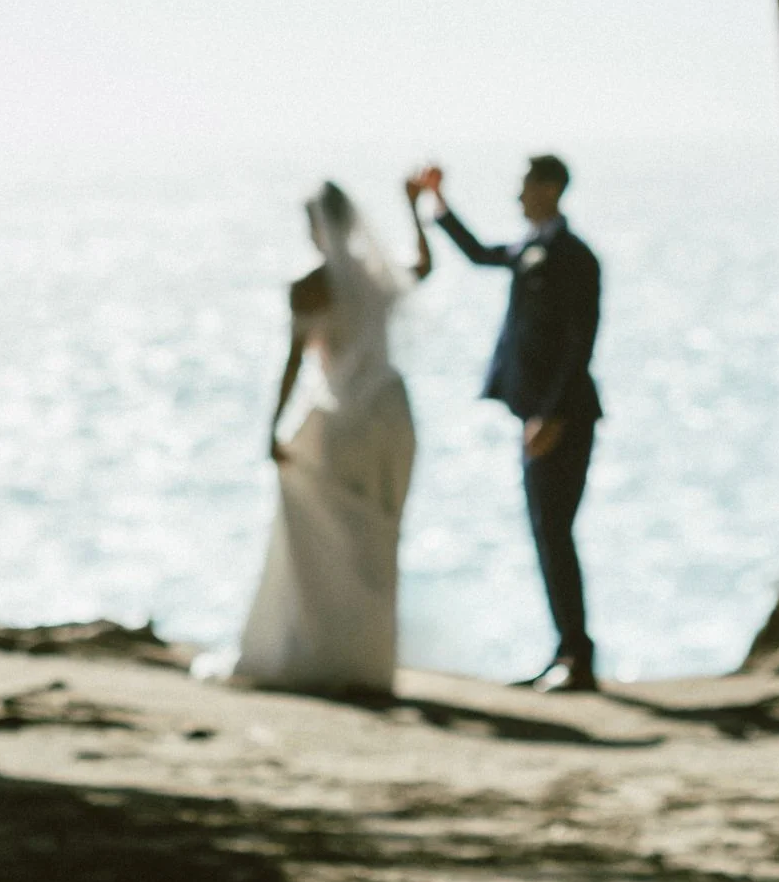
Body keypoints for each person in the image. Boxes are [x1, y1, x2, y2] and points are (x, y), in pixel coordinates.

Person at [221, 180, 433, 694]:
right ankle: (368, 662)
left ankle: (325, 650)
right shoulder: (376, 275)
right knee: (377, 539)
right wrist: (412, 206)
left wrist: (272, 426)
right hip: (391, 412)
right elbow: (424, 266)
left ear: (317, 226)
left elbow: (294, 361)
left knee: (324, 537)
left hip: (341, 422)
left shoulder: (309, 285)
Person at [414, 155, 602, 691]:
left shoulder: (573, 256)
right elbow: (478, 254)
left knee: (554, 530)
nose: (516, 195)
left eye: (523, 185)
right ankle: (567, 651)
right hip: (536, 414)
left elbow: (579, 341)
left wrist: (552, 412)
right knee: (547, 532)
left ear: (548, 188)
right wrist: (437, 202)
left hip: (562, 417)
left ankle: (577, 657)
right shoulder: (529, 247)